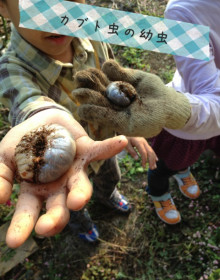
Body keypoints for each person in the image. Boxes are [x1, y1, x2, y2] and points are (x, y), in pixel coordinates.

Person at [0, 0, 158, 248]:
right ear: (3, 6)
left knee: (110, 176)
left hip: (103, 144)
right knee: (74, 201)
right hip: (66, 173)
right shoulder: (11, 69)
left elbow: (111, 83)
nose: (57, 14)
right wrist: (44, 114)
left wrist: (128, 126)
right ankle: (82, 223)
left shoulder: (92, 30)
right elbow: (27, 101)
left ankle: (107, 195)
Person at [72, 0, 220, 224]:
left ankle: (182, 171)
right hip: (189, 122)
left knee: (183, 159)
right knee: (164, 165)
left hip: (203, 118)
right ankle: (159, 192)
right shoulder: (186, 10)